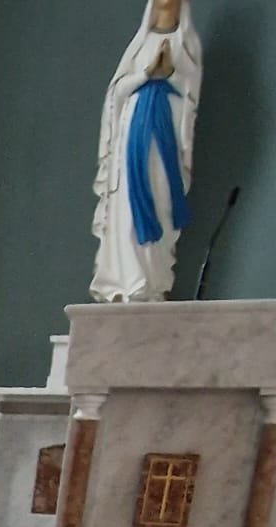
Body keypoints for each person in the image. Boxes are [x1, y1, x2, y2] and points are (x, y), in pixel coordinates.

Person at [91, 0, 202, 303]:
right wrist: (147, 73)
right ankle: (130, 281)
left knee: (160, 203)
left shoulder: (186, 43)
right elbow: (117, 92)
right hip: (133, 139)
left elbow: (190, 93)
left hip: (164, 140)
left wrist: (171, 74)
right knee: (127, 207)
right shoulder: (140, 45)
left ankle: (152, 280)